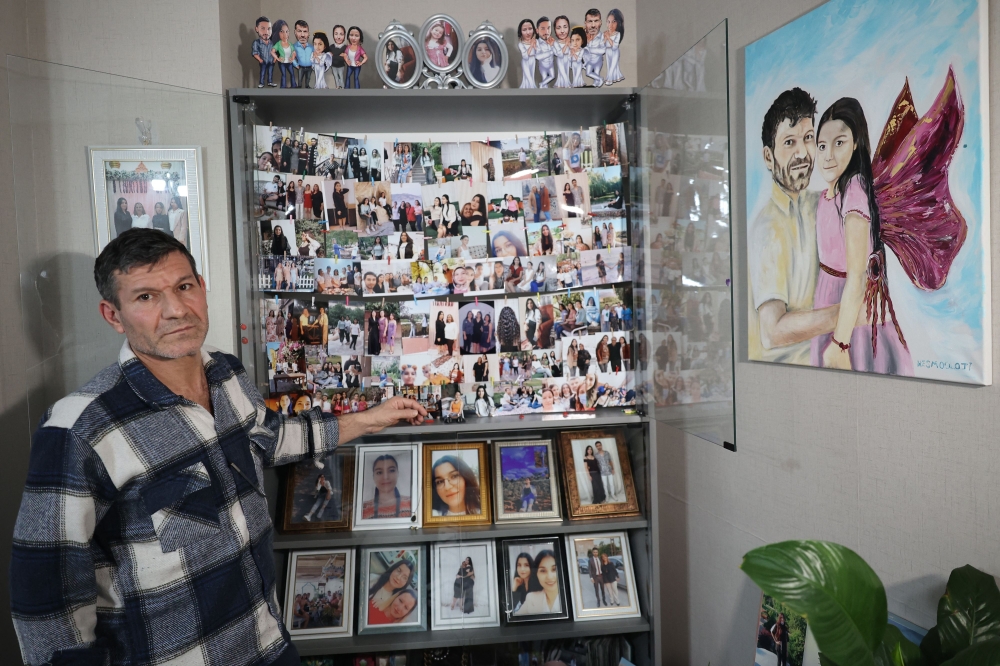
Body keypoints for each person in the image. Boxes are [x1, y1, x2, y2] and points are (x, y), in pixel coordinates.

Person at [11, 229, 427, 665]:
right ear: (113, 315)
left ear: (201, 288)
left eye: (184, 287)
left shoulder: (225, 373)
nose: (175, 310)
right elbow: (47, 600)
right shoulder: (78, 429)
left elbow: (269, 439)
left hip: (267, 642)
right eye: (146, 298)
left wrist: (368, 419)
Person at [810, 98, 913, 374]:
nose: (828, 155)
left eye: (839, 143)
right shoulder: (827, 196)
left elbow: (856, 276)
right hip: (831, 306)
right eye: (822, 146)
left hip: (851, 322)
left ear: (856, 142)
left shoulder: (854, 189)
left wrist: (840, 344)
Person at [749, 88, 839, 364]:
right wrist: (847, 314)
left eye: (808, 138)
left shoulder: (825, 204)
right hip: (789, 378)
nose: (802, 152)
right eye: (789, 142)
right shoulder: (768, 227)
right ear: (768, 157)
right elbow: (772, 332)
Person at [362, 454, 411, 519]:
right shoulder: (363, 508)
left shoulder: (411, 503)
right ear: (373, 477)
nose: (385, 477)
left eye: (391, 470)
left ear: (397, 473)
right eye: (379, 472)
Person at [515, 550, 561, 615]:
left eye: (554, 569)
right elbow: (514, 618)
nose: (550, 577)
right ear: (536, 574)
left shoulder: (572, 597)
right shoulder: (531, 598)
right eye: (543, 570)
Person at [271, 20, 297, 88]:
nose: (285, 34)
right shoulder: (278, 44)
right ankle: (283, 86)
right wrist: (277, 58)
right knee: (284, 74)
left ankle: (294, 85)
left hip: (289, 62)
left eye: (287, 31)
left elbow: (294, 52)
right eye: (282, 31)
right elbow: (272, 51)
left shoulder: (290, 44)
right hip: (282, 62)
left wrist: (293, 58)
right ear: (277, 33)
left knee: (292, 74)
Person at [603, 9, 625, 85]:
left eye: (613, 21)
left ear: (618, 23)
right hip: (607, 51)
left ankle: (609, 80)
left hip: (615, 52)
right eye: (608, 22)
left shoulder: (617, 34)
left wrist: (608, 38)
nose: (610, 25)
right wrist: (605, 38)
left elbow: (615, 46)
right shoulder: (605, 33)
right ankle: (616, 77)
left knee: (613, 66)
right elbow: (602, 45)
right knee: (609, 66)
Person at [517, 19, 537, 89]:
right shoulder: (521, 44)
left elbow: (539, 53)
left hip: (533, 60)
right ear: (521, 31)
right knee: (528, 77)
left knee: (531, 76)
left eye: (530, 29)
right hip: (525, 62)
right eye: (524, 30)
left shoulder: (536, 41)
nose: (528, 32)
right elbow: (525, 56)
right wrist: (531, 45)